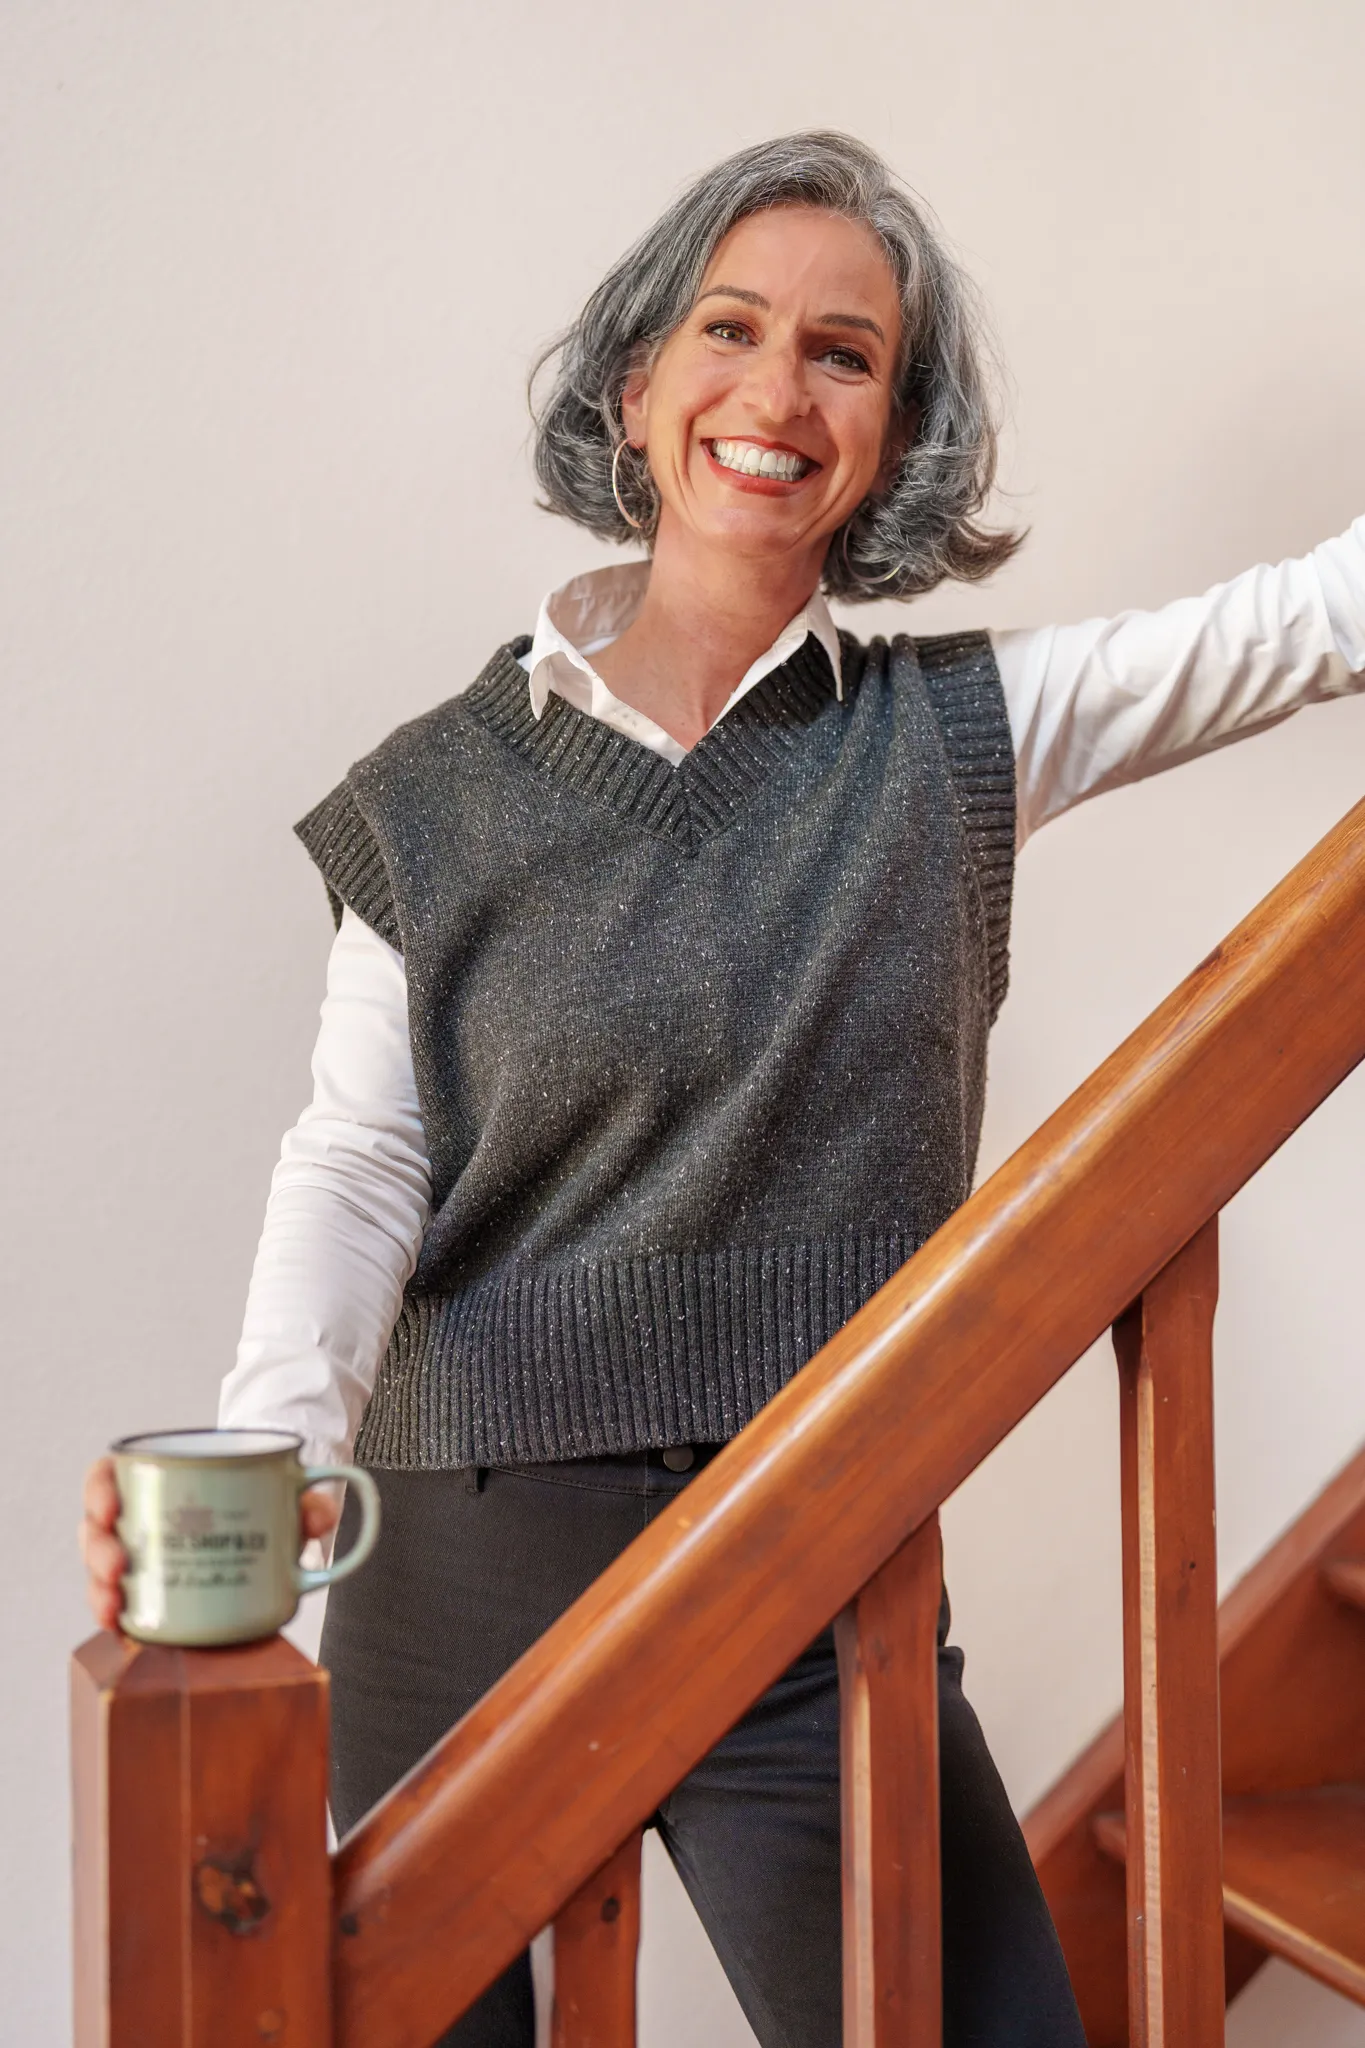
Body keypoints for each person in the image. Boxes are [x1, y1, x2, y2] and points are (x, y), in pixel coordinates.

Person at [81, 131, 1364, 2047]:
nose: (777, 392)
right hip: (466, 1573)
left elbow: (1295, 630)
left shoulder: (956, 745)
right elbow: (356, 1167)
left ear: (896, 432)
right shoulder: (432, 796)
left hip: (811, 1562)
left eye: (844, 355)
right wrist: (280, 1463)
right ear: (639, 383)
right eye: (732, 329)